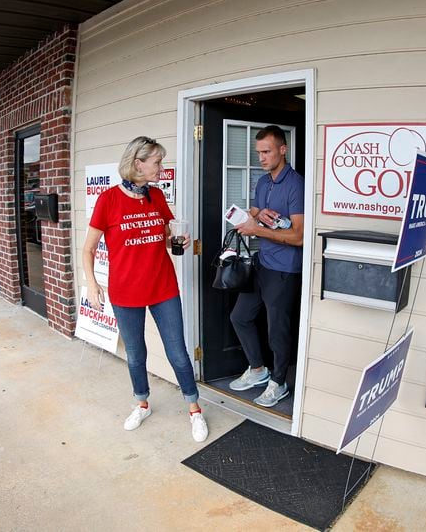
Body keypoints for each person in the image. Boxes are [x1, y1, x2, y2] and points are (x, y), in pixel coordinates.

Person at [82, 136, 208, 442]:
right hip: (126, 292)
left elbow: (166, 235)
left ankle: (194, 410)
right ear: (138, 164)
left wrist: (177, 241)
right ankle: (142, 403)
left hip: (163, 287)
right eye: (157, 162)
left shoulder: (156, 196)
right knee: (136, 354)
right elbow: (88, 249)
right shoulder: (108, 200)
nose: (161, 168)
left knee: (178, 352)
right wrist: (93, 284)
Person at [229, 125, 304, 407]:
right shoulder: (263, 183)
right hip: (262, 261)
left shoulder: (296, 184)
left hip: (285, 268)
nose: (260, 158)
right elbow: (257, 214)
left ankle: (279, 383)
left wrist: (257, 229)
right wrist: (256, 215)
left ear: (282, 150)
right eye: (258, 152)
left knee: (277, 331)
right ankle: (258, 370)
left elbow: (298, 236)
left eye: (266, 152)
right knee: (240, 317)